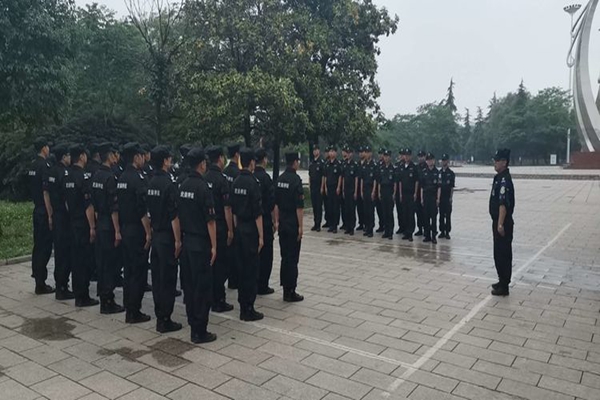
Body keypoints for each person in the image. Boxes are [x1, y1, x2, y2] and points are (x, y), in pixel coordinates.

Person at [178, 148, 218, 343]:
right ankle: (200, 331)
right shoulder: (203, 187)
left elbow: (177, 216)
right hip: (200, 243)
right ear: (202, 164)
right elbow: (210, 221)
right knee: (202, 288)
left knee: (190, 286)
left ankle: (193, 323)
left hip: (187, 242)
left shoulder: (182, 185)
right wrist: (214, 246)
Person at [146, 145, 183, 333]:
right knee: (167, 279)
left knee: (157, 279)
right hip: (167, 237)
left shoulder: (150, 182)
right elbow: (174, 216)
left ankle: (159, 315)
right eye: (169, 158)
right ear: (165, 161)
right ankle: (165, 319)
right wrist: (178, 240)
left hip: (156, 235)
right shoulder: (169, 184)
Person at [117, 142, 152, 324]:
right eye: (141, 156)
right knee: (138, 272)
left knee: (129, 270)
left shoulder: (122, 177)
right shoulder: (137, 179)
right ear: (136, 157)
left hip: (125, 228)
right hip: (137, 230)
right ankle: (134, 311)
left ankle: (128, 306)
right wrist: (148, 233)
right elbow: (142, 210)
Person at [90, 143, 125, 314]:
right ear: (109, 156)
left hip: (100, 222)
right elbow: (114, 208)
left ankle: (103, 297)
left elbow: (94, 204)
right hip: (109, 224)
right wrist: (117, 230)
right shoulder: (110, 178)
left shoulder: (96, 175)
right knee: (110, 263)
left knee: (102, 262)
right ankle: (108, 300)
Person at [230, 148, 264, 321]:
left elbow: (233, 210)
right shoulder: (253, 183)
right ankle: (248, 308)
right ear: (251, 162)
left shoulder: (235, 182)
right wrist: (261, 236)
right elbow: (257, 214)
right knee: (251, 270)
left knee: (241, 269)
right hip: (250, 230)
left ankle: (243, 304)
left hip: (240, 229)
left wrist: (236, 228)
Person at [64, 144, 99, 307]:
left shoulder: (68, 176)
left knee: (75, 259)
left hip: (72, 222)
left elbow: (66, 201)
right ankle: (83, 296)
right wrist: (92, 227)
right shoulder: (82, 177)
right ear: (82, 156)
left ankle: (78, 292)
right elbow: (88, 205)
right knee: (84, 260)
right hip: (83, 223)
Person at [204, 145, 235, 313]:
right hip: (220, 227)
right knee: (221, 264)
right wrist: (230, 230)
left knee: (211, 263)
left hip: (207, 228)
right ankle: (219, 300)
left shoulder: (204, 177)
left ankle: (210, 297)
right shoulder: (221, 180)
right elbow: (227, 208)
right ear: (220, 159)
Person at [43, 143, 73, 299]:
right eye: (69, 156)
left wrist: (50, 215)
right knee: (65, 253)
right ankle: (63, 287)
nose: (70, 158)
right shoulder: (65, 173)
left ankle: (59, 285)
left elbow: (46, 194)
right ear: (64, 157)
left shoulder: (51, 171)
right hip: (65, 217)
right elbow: (67, 198)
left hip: (55, 215)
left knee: (59, 252)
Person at [274, 152, 304, 302]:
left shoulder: (280, 180)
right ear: (295, 162)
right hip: (292, 224)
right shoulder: (296, 180)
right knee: (292, 259)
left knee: (284, 257)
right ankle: (291, 290)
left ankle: (285, 289)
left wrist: (277, 221)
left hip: (283, 224)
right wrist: (301, 227)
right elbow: (299, 207)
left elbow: (276, 204)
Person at [29, 139, 54, 294]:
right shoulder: (44, 166)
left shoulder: (32, 165)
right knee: (44, 247)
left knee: (38, 245)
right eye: (47, 147)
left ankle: (37, 277)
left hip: (36, 209)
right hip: (44, 210)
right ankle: (41, 283)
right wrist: (50, 214)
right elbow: (46, 192)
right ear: (44, 148)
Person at [490, 149, 515, 296]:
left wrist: (500, 224)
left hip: (503, 223)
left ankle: (504, 285)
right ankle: (501, 280)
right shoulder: (498, 178)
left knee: (503, 254)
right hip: (497, 220)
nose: (495, 163)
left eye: (497, 160)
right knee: (498, 253)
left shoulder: (505, 180)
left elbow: (503, 204)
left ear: (504, 162)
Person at [254, 149, 276, 295]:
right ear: (265, 160)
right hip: (265, 221)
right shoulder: (266, 178)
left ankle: (255, 282)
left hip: (252, 223)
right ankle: (263, 285)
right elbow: (272, 202)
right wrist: (275, 221)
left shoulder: (251, 177)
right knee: (266, 255)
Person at [224, 143, 241, 289]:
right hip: (235, 216)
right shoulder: (237, 174)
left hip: (224, 216)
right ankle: (234, 280)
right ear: (236, 154)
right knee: (236, 250)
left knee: (228, 250)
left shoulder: (225, 172)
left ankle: (230, 278)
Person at [420, 153, 441, 244]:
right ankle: (427, 235)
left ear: (434, 161)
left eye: (431, 160)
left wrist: (438, 199)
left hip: (433, 197)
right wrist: (421, 198)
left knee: (433, 217)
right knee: (426, 217)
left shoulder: (437, 172)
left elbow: (439, 187)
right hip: (426, 197)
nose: (429, 161)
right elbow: (422, 187)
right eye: (428, 160)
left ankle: (433, 236)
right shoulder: (424, 172)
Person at [399, 149, 418, 242]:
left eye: (408, 155)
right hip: (404, 193)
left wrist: (415, 193)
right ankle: (406, 232)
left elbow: (416, 181)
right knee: (404, 213)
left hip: (411, 194)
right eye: (405, 155)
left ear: (411, 156)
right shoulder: (402, 167)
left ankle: (410, 233)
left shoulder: (414, 167)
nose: (406, 157)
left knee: (411, 214)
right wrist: (400, 193)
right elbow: (400, 181)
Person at [324, 146, 342, 233]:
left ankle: (335, 225)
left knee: (335, 207)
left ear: (336, 153)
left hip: (335, 188)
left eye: (333, 151)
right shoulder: (327, 164)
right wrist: (325, 187)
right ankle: (331, 225)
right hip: (329, 187)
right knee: (329, 207)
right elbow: (325, 176)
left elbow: (340, 176)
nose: (331, 153)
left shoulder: (338, 164)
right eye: (330, 151)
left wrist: (338, 187)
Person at [378, 150, 396, 240]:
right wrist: (378, 192)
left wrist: (394, 193)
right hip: (383, 191)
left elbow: (395, 183)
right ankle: (386, 231)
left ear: (390, 157)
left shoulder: (393, 168)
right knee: (384, 212)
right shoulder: (381, 168)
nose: (386, 158)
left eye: (388, 156)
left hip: (390, 192)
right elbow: (379, 182)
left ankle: (390, 232)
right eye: (385, 156)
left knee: (390, 213)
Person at [360, 146, 377, 238]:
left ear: (371, 153)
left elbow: (375, 179)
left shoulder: (374, 165)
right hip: (365, 189)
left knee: (370, 210)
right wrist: (361, 190)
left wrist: (373, 191)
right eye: (365, 152)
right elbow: (362, 179)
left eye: (368, 152)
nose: (366, 154)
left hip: (371, 189)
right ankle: (366, 227)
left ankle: (370, 229)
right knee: (365, 210)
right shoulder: (364, 165)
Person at [341, 146, 358, 235]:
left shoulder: (354, 165)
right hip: (346, 190)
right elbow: (343, 178)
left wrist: (355, 191)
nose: (348, 154)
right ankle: (347, 227)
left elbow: (356, 179)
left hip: (352, 190)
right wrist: (343, 189)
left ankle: (352, 227)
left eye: (349, 153)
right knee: (346, 209)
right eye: (347, 153)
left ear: (352, 154)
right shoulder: (344, 164)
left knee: (352, 209)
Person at [308, 145, 325, 232]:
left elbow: (323, 176)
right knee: (314, 206)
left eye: (316, 150)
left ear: (319, 151)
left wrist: (322, 187)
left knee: (318, 206)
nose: (315, 152)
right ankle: (315, 223)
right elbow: (310, 175)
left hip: (319, 187)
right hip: (313, 187)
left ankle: (318, 224)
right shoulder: (311, 163)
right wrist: (309, 185)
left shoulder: (321, 162)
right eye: (314, 150)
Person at [439, 154, 455, 240]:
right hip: (440, 197)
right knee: (441, 215)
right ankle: (442, 231)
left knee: (448, 215)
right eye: (443, 160)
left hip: (447, 197)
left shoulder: (451, 173)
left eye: (445, 160)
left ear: (448, 161)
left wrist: (451, 198)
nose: (444, 162)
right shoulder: (439, 173)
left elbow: (452, 187)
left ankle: (447, 232)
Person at [415, 150, 427, 236]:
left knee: (425, 213)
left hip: (426, 193)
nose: (420, 158)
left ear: (425, 157)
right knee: (418, 212)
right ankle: (420, 229)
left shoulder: (428, 166)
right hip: (418, 193)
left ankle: (426, 229)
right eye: (419, 156)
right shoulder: (416, 168)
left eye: (422, 156)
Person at [394, 150, 405, 235]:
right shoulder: (396, 165)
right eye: (400, 155)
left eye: (403, 155)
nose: (401, 156)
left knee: (405, 211)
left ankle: (406, 228)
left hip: (405, 191)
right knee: (399, 210)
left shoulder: (407, 165)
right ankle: (401, 226)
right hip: (397, 191)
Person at [375, 148, 385, 233]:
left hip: (385, 190)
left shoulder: (386, 165)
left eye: (382, 154)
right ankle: (381, 225)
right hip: (377, 190)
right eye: (379, 154)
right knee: (378, 209)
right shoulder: (377, 165)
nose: (380, 155)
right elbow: (376, 178)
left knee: (384, 210)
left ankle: (385, 225)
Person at [355, 147, 365, 231]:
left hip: (366, 188)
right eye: (360, 152)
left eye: (362, 152)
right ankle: (361, 223)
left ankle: (366, 224)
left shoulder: (367, 164)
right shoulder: (357, 164)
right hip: (358, 188)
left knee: (366, 208)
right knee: (359, 207)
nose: (361, 154)